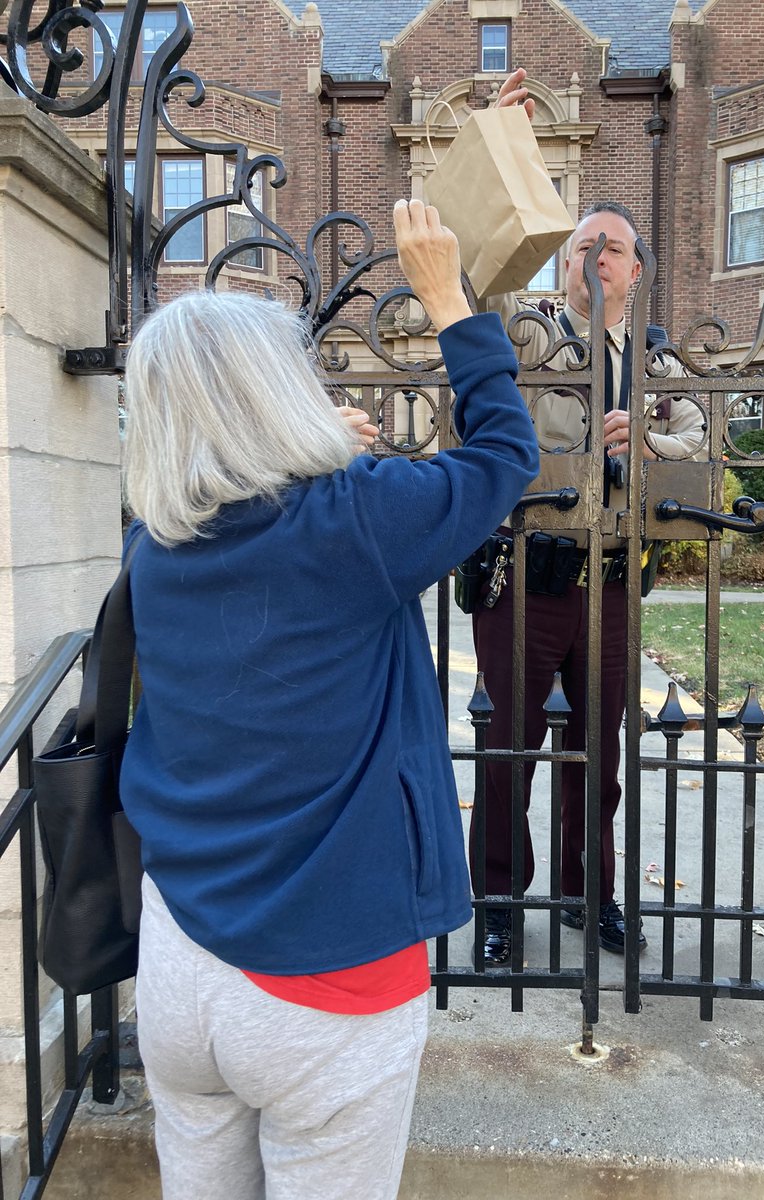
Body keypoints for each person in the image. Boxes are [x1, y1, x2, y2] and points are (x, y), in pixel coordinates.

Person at [119, 198, 539, 1200]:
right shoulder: (355, 526)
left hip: (180, 958)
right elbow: (503, 458)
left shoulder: (155, 549)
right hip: (326, 979)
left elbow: (271, 518)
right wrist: (447, 297)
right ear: (273, 397)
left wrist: (327, 457)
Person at [471, 69, 706, 967]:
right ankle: (497, 906)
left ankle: (586, 894)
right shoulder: (526, 332)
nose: (592, 257)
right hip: (524, 575)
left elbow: (709, 447)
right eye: (579, 246)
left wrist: (647, 441)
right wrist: (499, 154)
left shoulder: (657, 360)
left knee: (597, 760)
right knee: (507, 751)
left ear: (636, 268)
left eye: (609, 247)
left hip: (612, 585)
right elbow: (472, 282)